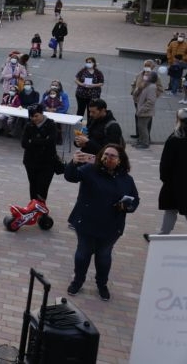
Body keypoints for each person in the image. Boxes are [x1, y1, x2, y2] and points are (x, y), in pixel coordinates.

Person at [65, 145, 139, 301]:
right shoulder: (89, 170)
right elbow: (71, 177)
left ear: (120, 160)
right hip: (87, 223)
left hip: (111, 227)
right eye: (106, 154)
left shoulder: (126, 179)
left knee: (104, 257)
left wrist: (127, 206)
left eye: (113, 156)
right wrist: (73, 163)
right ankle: (78, 281)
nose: (108, 157)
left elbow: (135, 200)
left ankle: (101, 285)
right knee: (83, 254)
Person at [146, 108, 187, 240]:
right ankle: (163, 235)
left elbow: (166, 163)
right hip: (179, 181)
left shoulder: (175, 138)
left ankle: (163, 235)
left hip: (175, 182)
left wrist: (165, 179)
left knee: (170, 209)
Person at [21, 104, 60, 202]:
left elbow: (51, 142)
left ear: (42, 114)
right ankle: (33, 206)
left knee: (43, 186)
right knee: (33, 185)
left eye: (36, 116)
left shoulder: (51, 125)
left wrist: (33, 141)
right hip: (31, 162)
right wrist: (42, 141)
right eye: (31, 116)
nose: (34, 119)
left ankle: (40, 208)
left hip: (47, 162)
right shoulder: (29, 125)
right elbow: (24, 143)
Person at [130, 59, 164, 138]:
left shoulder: (155, 77)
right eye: (145, 66)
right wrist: (133, 92)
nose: (146, 67)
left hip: (146, 101)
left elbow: (160, 89)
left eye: (148, 66)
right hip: (137, 100)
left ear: (152, 67)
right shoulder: (139, 74)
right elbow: (133, 84)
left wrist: (153, 96)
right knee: (137, 116)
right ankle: (138, 134)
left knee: (146, 118)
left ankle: (146, 136)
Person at [132, 71, 160, 149]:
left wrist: (141, 109)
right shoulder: (146, 85)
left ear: (152, 78)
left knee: (143, 127)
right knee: (140, 127)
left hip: (145, 112)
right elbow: (135, 94)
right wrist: (139, 87)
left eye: (148, 75)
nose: (146, 76)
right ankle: (140, 141)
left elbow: (151, 101)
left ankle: (145, 143)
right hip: (141, 110)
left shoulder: (152, 87)